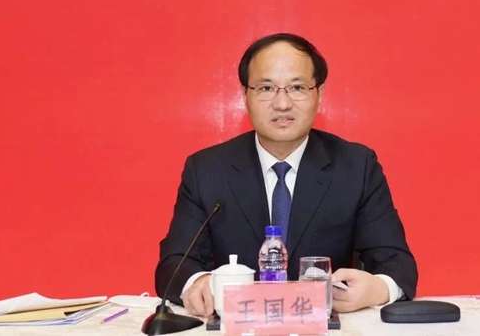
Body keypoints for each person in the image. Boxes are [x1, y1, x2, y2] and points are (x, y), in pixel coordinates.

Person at [155, 33, 417, 316]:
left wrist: (378, 288)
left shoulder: (356, 166)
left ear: (319, 94)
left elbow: (396, 262)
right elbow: (174, 263)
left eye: (297, 87)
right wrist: (197, 283)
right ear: (245, 96)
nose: (282, 104)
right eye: (266, 88)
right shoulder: (207, 169)